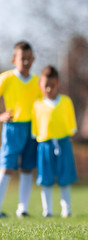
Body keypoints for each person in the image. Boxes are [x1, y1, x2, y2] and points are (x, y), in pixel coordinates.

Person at [0, 41, 42, 218]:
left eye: (28, 58)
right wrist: (1, 116)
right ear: (14, 59)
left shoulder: (37, 81)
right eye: (22, 58)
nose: (26, 62)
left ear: (33, 59)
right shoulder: (7, 78)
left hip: (32, 129)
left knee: (27, 168)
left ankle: (22, 209)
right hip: (13, 128)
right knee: (6, 167)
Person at [31, 65, 78, 218]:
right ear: (40, 85)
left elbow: (72, 125)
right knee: (46, 178)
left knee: (65, 178)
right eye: (46, 86)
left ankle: (67, 209)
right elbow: (35, 128)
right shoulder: (37, 105)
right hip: (44, 145)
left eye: (53, 85)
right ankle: (48, 210)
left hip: (64, 143)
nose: (49, 89)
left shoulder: (66, 101)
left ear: (58, 83)